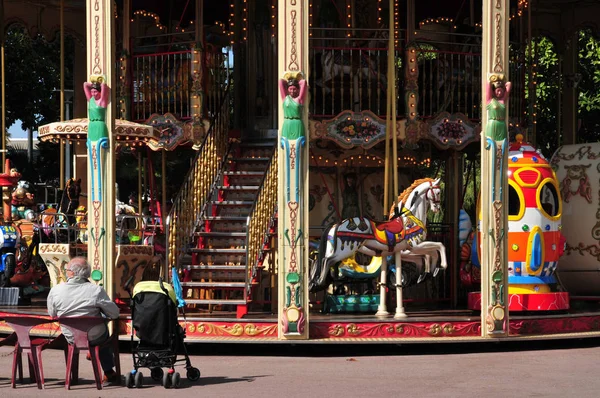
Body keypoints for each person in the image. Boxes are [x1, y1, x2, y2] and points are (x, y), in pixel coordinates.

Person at [47, 257, 120, 386]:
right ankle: (108, 371)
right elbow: (114, 313)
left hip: (70, 336)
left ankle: (78, 369)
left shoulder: (56, 290)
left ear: (72, 273)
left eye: (67, 269)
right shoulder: (96, 290)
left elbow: (52, 314)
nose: (66, 271)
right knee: (103, 325)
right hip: (94, 336)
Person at [279, 72, 307, 140]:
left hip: (297, 123)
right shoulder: (285, 98)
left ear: (298, 90)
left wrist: (296, 80)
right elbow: (281, 82)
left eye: (294, 89)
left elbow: (303, 82)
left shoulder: (300, 99)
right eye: (290, 89)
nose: (292, 91)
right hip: (287, 123)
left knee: (298, 144)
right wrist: (289, 80)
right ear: (288, 90)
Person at [485, 74, 511, 141]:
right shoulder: (490, 100)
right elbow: (488, 84)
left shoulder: (502, 100)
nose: (499, 93)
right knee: (492, 143)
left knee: (502, 144)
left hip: (502, 124)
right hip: (493, 123)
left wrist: (501, 82)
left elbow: (509, 84)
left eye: (501, 91)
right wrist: (494, 80)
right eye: (497, 91)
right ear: (494, 92)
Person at [83, 77, 111, 141]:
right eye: (92, 92)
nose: (93, 94)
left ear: (99, 92)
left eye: (95, 92)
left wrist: (98, 83)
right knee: (91, 143)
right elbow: (85, 84)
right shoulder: (91, 100)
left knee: (100, 143)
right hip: (91, 125)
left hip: (100, 125)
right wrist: (93, 85)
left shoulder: (102, 101)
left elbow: (103, 85)